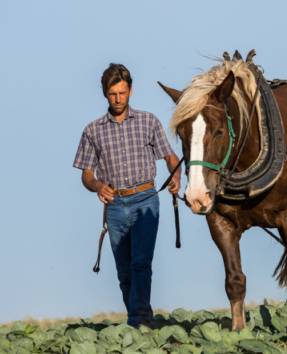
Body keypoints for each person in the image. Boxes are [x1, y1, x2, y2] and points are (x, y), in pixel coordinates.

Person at [73, 63, 181, 327]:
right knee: (124, 273)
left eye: (122, 92)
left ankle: (136, 321)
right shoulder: (92, 130)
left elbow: (170, 157)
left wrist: (176, 176)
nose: (118, 98)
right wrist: (98, 186)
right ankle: (145, 320)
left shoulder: (149, 120)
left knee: (140, 263)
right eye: (113, 94)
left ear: (131, 90)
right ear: (105, 94)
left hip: (146, 199)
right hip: (115, 206)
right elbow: (86, 175)